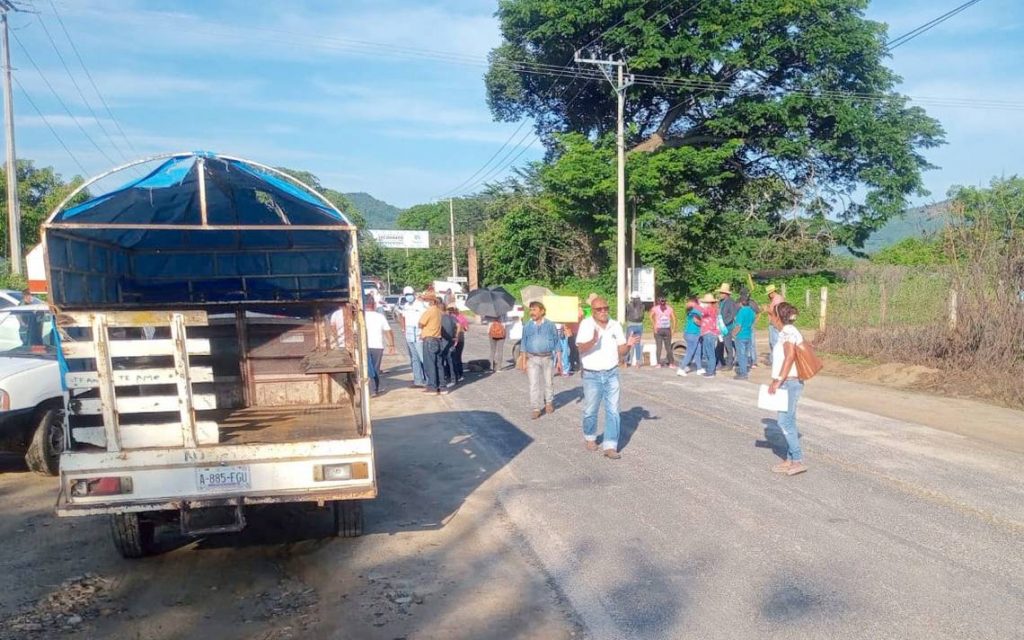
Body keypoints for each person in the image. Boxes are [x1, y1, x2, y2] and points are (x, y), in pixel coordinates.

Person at [574, 296, 640, 459]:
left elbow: (622, 351)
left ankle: (610, 446)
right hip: (591, 374)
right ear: (593, 311)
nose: (603, 311)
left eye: (605, 308)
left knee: (613, 411)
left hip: (611, 373)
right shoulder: (586, 324)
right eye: (599, 309)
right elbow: (581, 348)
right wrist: (593, 341)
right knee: (591, 410)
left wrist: (629, 344)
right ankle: (590, 437)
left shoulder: (615, 325)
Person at [767, 302, 807, 476]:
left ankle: (797, 459)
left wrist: (778, 380)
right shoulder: (785, 332)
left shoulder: (788, 332)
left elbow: (790, 357)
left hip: (789, 382)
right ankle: (790, 459)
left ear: (778, 316)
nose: (770, 318)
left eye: (772, 314)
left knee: (784, 422)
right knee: (789, 419)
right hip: (787, 381)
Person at [521, 301, 561, 419]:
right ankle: (536, 408)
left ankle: (548, 403)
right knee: (533, 384)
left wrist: (559, 361)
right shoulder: (527, 326)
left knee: (549, 382)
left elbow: (557, 342)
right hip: (532, 358)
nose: (532, 312)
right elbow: (523, 343)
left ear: (542, 311)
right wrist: (523, 362)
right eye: (531, 310)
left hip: (548, 357)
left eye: (534, 310)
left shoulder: (550, 325)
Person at [363, 299, 396, 396]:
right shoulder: (380, 317)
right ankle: (375, 389)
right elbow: (388, 331)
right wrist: (391, 345)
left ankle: (371, 389)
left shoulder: (360, 317)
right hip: (377, 346)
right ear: (374, 305)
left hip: (365, 346)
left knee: (366, 368)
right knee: (375, 368)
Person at [398, 286, 427, 387]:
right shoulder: (406, 305)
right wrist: (403, 329)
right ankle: (418, 381)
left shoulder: (420, 305)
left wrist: (423, 332)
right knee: (414, 358)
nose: (408, 297)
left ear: (413, 294)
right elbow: (402, 317)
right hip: (409, 333)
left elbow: (424, 318)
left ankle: (429, 380)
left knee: (423, 357)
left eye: (409, 294)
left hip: (419, 332)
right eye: (406, 295)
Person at [418, 292, 445, 394]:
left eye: (425, 300)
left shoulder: (429, 311)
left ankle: (432, 387)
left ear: (430, 301)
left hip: (429, 340)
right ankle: (442, 386)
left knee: (430, 365)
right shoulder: (438, 311)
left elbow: (420, 323)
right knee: (439, 364)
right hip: (438, 339)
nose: (424, 302)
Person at [676, 296, 703, 376]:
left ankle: (699, 368)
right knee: (690, 352)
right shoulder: (695, 311)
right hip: (693, 333)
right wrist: (703, 324)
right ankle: (681, 368)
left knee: (698, 350)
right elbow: (696, 320)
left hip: (691, 333)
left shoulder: (691, 310)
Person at [731, 295, 757, 380]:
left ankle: (743, 373)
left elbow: (738, 325)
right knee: (745, 354)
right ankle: (744, 370)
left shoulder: (741, 312)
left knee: (741, 355)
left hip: (741, 336)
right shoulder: (751, 311)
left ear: (741, 303)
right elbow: (753, 320)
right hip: (748, 335)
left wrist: (733, 334)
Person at [650, 296, 676, 367]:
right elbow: (650, 316)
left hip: (666, 329)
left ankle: (670, 363)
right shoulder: (656, 308)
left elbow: (674, 319)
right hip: (659, 329)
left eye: (664, 304)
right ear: (659, 302)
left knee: (668, 347)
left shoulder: (669, 308)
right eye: (662, 304)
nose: (663, 305)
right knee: (659, 347)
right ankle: (659, 363)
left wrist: (673, 329)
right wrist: (654, 325)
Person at [698, 293, 719, 377]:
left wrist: (696, 304)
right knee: (709, 352)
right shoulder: (713, 309)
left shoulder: (709, 309)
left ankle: (711, 371)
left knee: (710, 353)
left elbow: (700, 311)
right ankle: (711, 370)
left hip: (709, 333)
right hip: (710, 332)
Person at [716, 283, 737, 368]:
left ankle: (729, 364)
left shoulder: (730, 302)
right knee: (721, 345)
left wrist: (724, 323)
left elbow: (732, 315)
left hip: (727, 327)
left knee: (728, 346)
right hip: (721, 326)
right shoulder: (721, 302)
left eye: (722, 293)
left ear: (726, 294)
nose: (720, 294)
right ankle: (722, 362)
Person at [739, 288, 760, 369]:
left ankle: (753, 361)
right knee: (743, 345)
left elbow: (758, 313)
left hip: (749, 326)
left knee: (751, 344)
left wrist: (753, 323)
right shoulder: (738, 302)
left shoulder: (752, 302)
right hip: (741, 326)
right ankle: (744, 361)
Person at [439, 298, 458, 388]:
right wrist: (456, 336)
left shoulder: (440, 318)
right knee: (451, 361)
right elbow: (458, 325)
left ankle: (450, 379)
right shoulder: (451, 317)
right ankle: (453, 378)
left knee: (445, 362)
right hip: (451, 341)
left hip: (444, 342)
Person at [624, 292, 645, 367]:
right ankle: (638, 362)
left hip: (631, 325)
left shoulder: (629, 305)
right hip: (640, 325)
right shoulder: (642, 305)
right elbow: (643, 316)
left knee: (629, 343)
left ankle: (625, 362)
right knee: (637, 344)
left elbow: (627, 314)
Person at [766, 284, 785, 365]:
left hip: (775, 323)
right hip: (774, 322)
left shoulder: (777, 299)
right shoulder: (776, 299)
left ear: (772, 292)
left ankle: (775, 360)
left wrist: (767, 309)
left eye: (769, 293)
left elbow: (776, 312)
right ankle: (773, 359)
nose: (768, 295)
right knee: (773, 342)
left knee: (774, 342)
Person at [449, 306, 469, 383]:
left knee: (452, 357)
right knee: (458, 357)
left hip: (453, 339)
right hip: (461, 339)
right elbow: (466, 329)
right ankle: (460, 374)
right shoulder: (462, 317)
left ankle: (453, 374)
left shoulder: (450, 317)